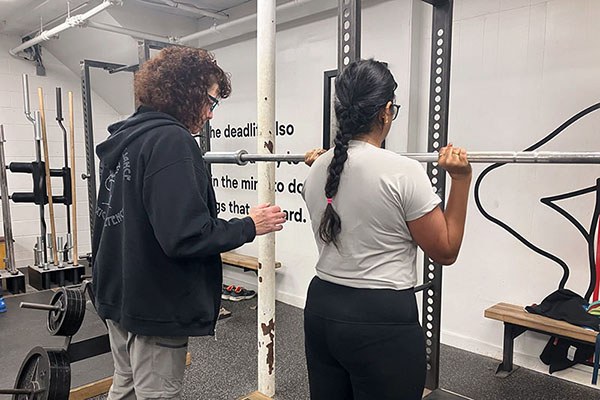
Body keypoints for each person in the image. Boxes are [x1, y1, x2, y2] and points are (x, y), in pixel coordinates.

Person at [92, 47, 286, 400]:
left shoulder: (126, 140)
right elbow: (184, 236)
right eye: (210, 101)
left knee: (126, 388)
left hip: (119, 296)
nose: (211, 114)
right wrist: (249, 225)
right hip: (154, 302)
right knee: (155, 394)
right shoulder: (172, 141)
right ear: (185, 93)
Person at [302, 59, 472, 400]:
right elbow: (446, 250)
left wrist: (320, 161)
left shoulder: (317, 167)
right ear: (387, 111)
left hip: (321, 308)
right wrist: (461, 179)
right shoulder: (403, 171)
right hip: (379, 320)